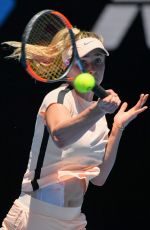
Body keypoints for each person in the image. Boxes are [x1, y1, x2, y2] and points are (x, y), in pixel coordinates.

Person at [1, 26, 149, 230]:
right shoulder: (58, 98)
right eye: (83, 62)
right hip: (36, 216)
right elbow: (60, 136)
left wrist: (117, 127)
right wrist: (99, 110)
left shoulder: (97, 114)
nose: (92, 69)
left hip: (72, 220)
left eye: (98, 60)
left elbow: (99, 178)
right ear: (67, 66)